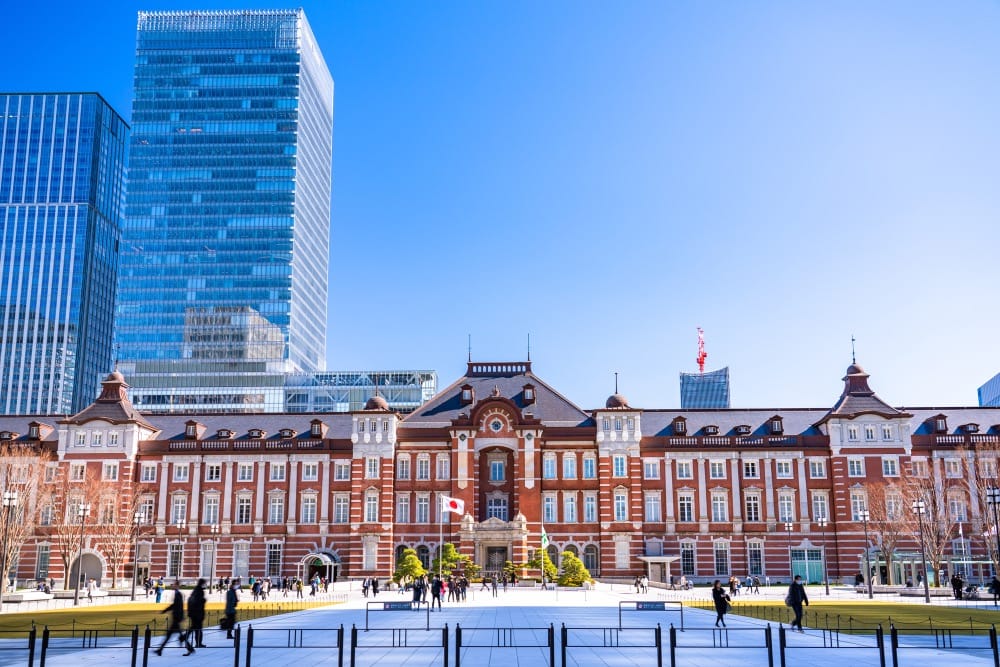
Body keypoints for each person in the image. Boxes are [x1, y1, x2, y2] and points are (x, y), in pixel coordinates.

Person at [156, 581, 194, 656]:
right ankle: (160, 650)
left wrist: (164, 611)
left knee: (170, 635)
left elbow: (176, 606)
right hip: (177, 618)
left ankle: (160, 650)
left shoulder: (178, 594)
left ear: (177, 585)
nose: (172, 585)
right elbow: (176, 606)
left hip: (176, 618)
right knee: (174, 635)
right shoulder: (177, 594)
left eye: (174, 584)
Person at [187, 578, 207, 648]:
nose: (205, 585)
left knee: (195, 628)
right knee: (198, 629)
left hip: (194, 613)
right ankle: (198, 643)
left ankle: (197, 642)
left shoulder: (195, 590)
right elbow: (198, 602)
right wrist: (203, 600)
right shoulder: (200, 591)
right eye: (204, 583)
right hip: (198, 613)